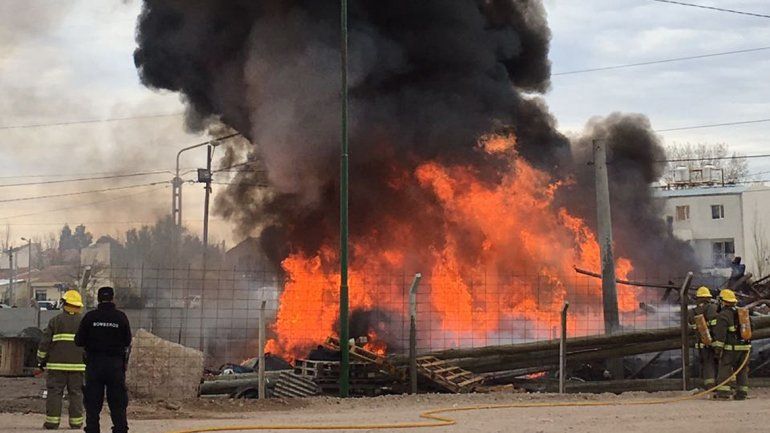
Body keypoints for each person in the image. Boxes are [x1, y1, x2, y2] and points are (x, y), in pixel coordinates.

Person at [75, 287, 132, 433]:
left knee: (92, 400)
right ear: (113, 298)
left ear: (98, 299)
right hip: (115, 365)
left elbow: (79, 340)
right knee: (117, 401)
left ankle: (93, 428)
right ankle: (120, 429)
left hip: (94, 364)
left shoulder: (90, 317)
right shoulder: (121, 317)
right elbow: (127, 340)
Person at [37, 290, 86, 429]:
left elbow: (45, 343)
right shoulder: (83, 322)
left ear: (64, 304)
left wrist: (40, 360)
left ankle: (52, 422)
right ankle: (76, 423)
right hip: (78, 366)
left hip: (56, 366)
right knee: (76, 393)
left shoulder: (55, 321)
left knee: (55, 392)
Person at [712, 289, 751, 400]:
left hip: (730, 349)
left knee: (725, 368)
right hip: (745, 348)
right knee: (742, 370)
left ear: (723, 301)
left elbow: (720, 335)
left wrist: (717, 350)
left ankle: (723, 394)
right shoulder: (742, 312)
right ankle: (742, 393)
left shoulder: (723, 315)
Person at [688, 286, 718, 388]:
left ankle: (708, 384)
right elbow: (716, 325)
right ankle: (719, 384)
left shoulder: (692, 312)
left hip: (701, 342)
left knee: (706, 363)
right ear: (708, 297)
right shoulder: (712, 308)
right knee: (719, 362)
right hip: (714, 341)